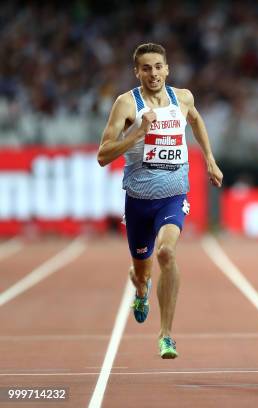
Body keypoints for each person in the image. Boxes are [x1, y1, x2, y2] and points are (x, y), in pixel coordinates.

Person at [97, 43, 223, 359]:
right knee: (142, 272)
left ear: (167, 68)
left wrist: (209, 158)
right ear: (136, 72)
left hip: (173, 195)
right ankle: (141, 289)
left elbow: (195, 119)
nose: (153, 73)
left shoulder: (183, 97)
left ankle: (166, 335)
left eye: (158, 67)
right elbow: (102, 155)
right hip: (138, 201)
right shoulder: (126, 104)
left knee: (166, 253)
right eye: (146, 68)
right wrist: (136, 134)